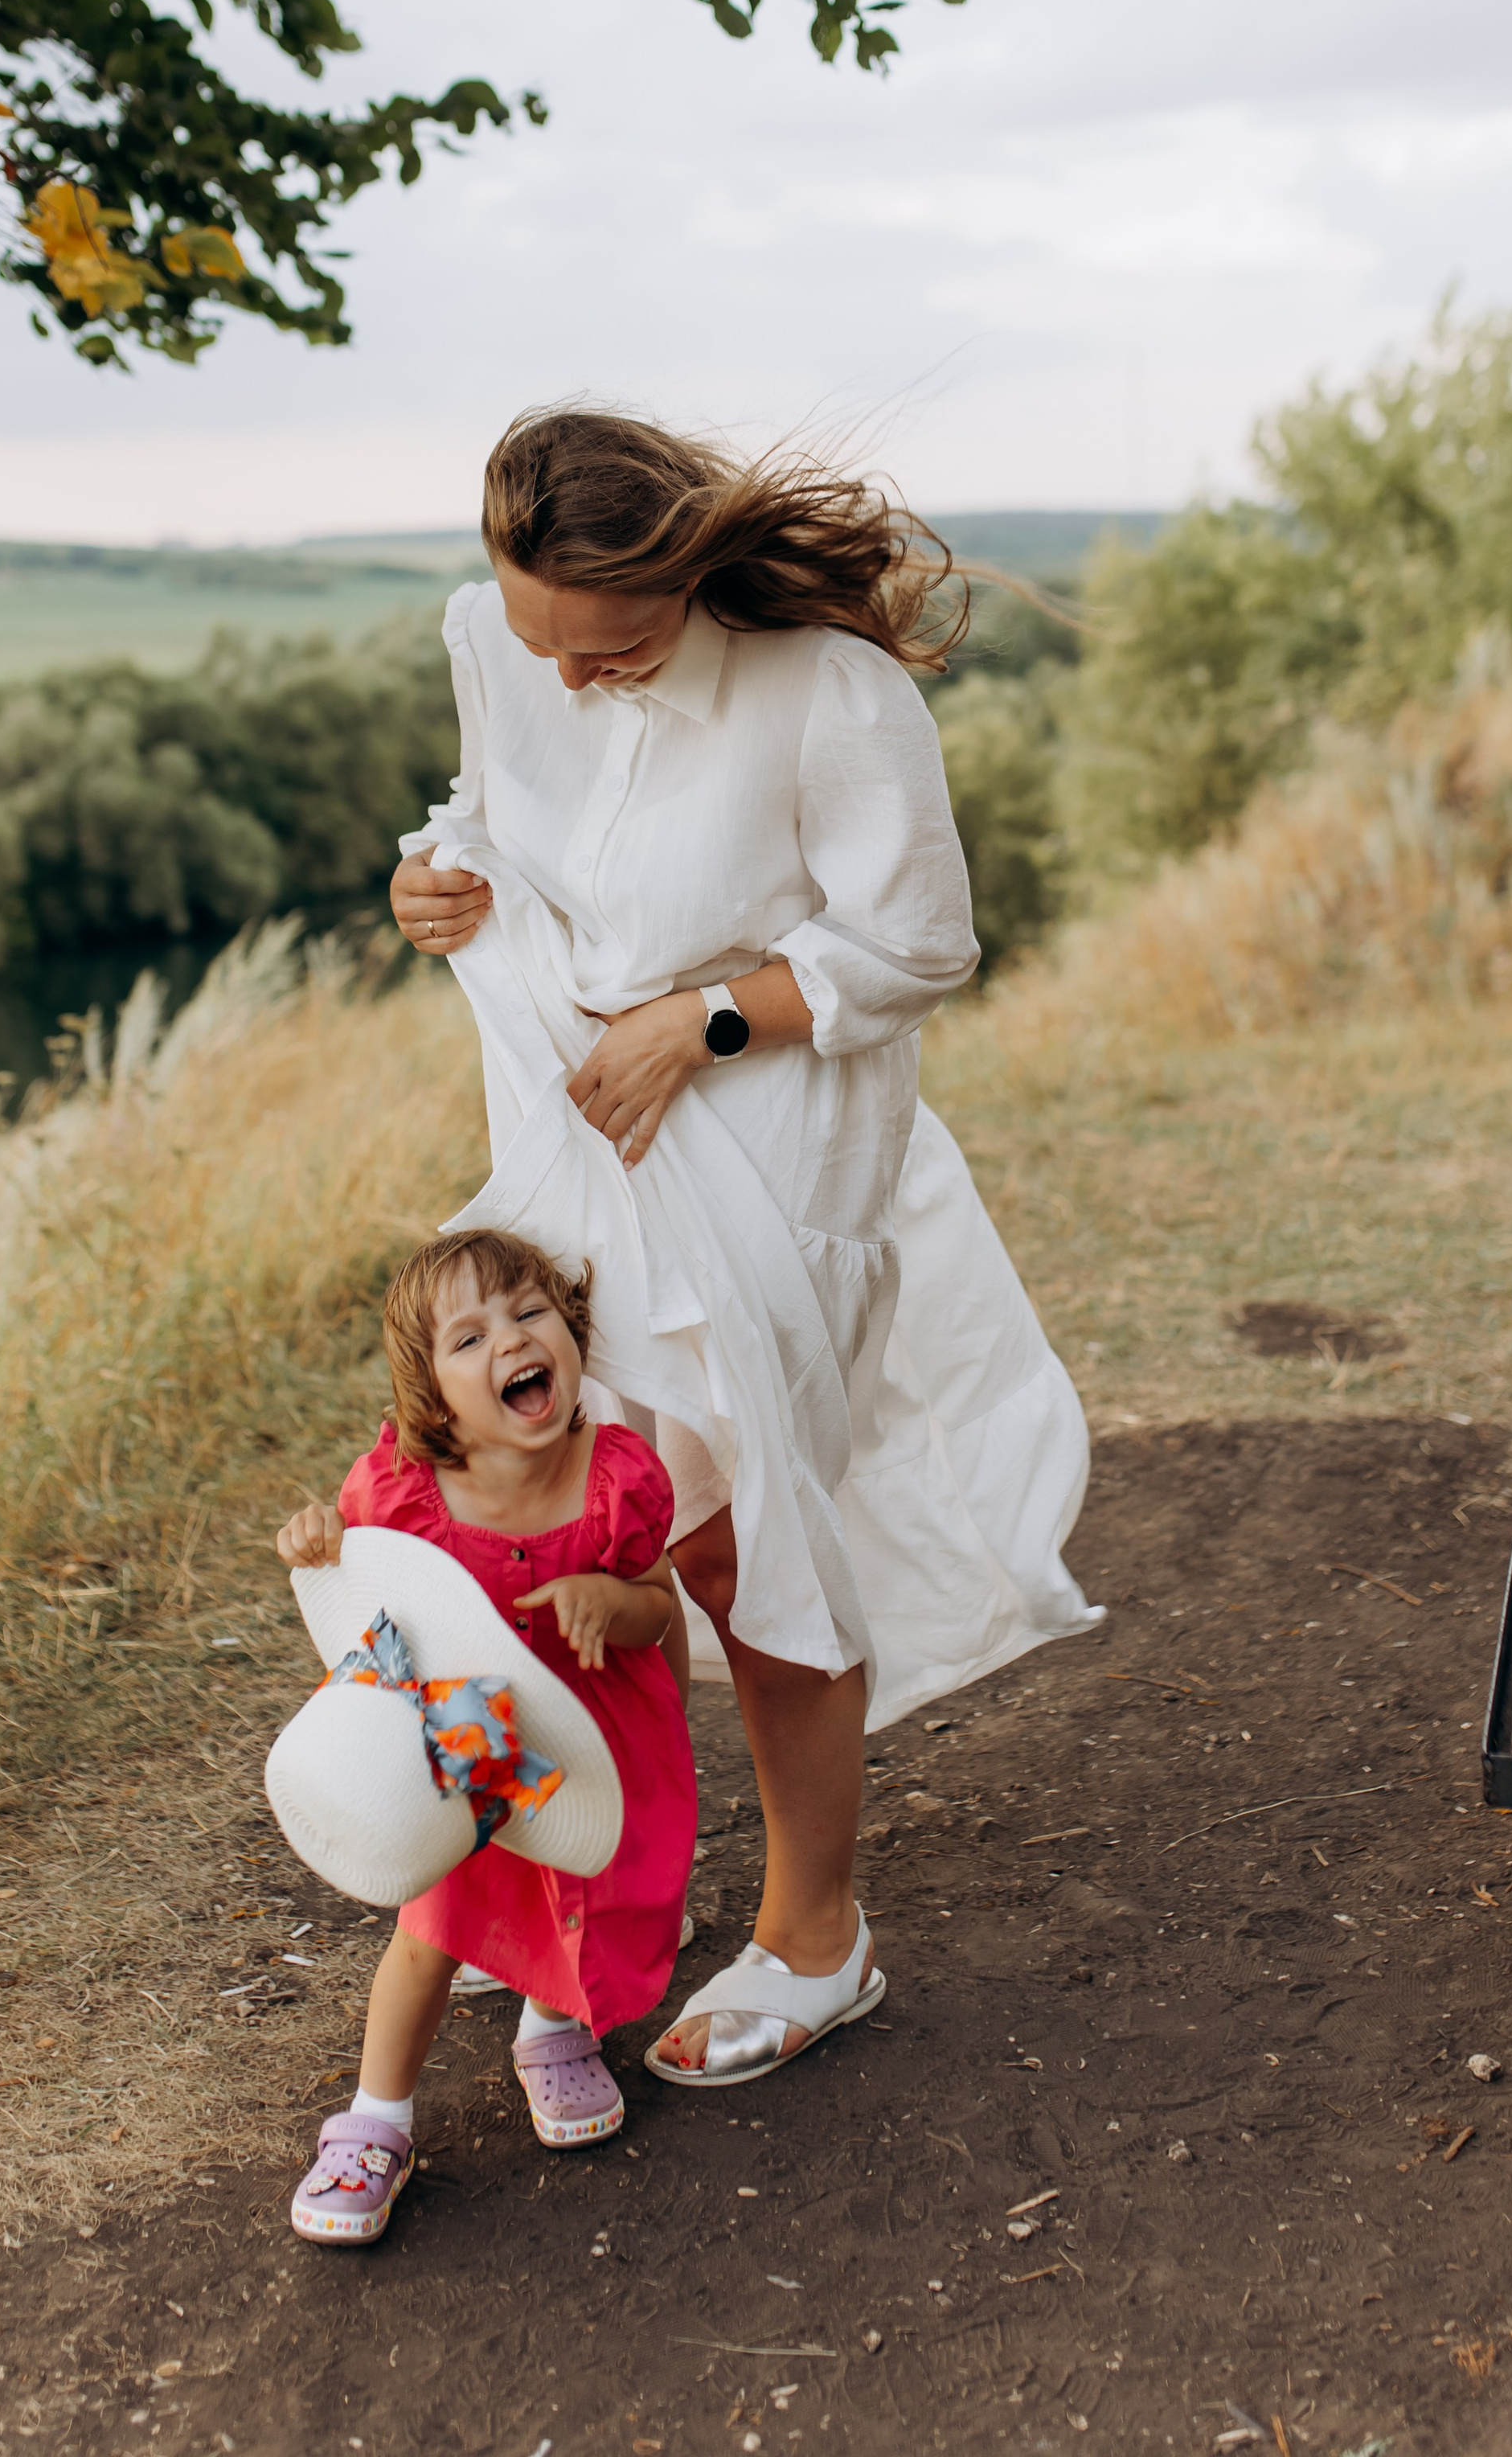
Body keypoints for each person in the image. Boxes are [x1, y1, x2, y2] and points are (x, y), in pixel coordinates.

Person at [389, 407, 1103, 2088]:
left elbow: (923, 945)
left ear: (690, 579)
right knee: (557, 1500)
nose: (568, 676)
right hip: (574, 1144)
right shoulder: (494, 640)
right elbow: (489, 811)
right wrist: (441, 878)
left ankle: (813, 1936)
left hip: (773, 1157)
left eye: (613, 646)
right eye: (539, 638)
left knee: (732, 1529)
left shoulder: (830, 695)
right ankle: (551, 1877)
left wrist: (697, 1022)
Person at [276, 1224, 698, 2243]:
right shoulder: (404, 1492)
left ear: (569, 1333)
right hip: (467, 1732)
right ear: (432, 1394)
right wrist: (315, 1546)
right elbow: (367, 1594)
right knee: (433, 1926)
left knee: (581, 1885)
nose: (507, 1339)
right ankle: (377, 2119)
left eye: (526, 1313)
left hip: (592, 1727)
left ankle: (550, 2026)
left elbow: (657, 1605)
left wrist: (611, 1597)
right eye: (466, 1339)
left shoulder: (617, 1476)